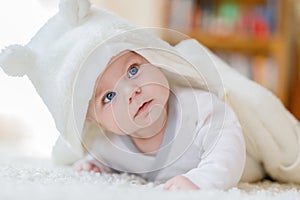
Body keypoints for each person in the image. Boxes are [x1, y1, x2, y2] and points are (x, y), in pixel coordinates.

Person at [0, 0, 300, 191]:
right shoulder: (107, 143)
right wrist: (95, 165)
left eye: (132, 70)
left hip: (246, 159)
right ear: (94, 121)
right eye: (108, 97)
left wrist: (201, 182)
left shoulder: (199, 108)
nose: (132, 91)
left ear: (153, 59)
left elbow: (228, 147)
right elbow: (101, 155)